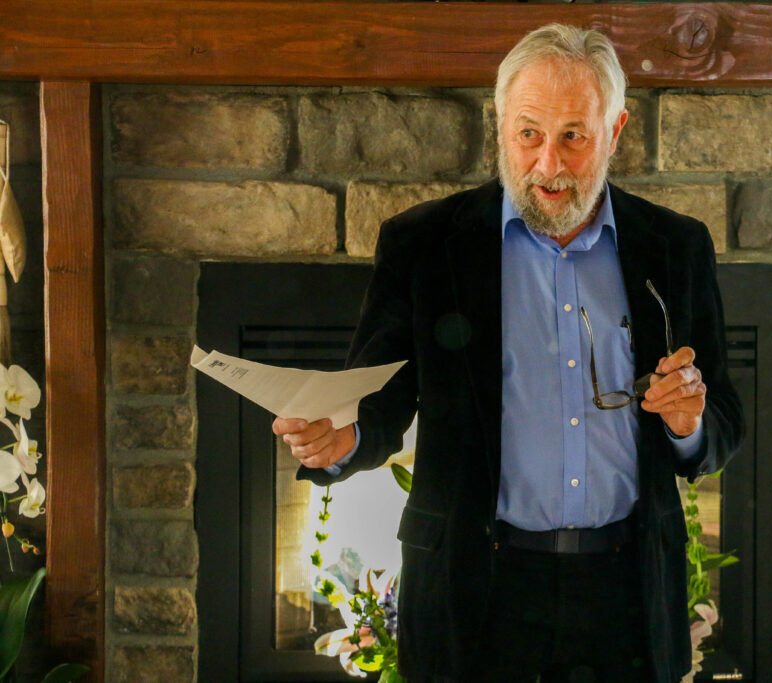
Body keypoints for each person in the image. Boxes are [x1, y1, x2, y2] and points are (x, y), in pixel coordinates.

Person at [273, 24, 744, 683]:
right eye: (529, 134)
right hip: (476, 589)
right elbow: (378, 402)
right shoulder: (425, 244)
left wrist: (689, 420)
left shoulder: (674, 246)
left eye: (574, 136)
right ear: (500, 125)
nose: (549, 164)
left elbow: (722, 417)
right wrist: (340, 437)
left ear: (614, 130)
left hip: (628, 590)